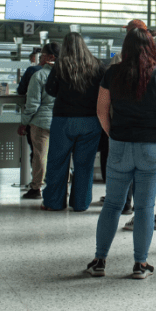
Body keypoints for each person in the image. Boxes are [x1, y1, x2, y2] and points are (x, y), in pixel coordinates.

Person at [88, 27, 156, 279]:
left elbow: (101, 110)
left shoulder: (112, 73)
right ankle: (140, 264)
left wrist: (112, 134)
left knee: (111, 204)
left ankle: (100, 261)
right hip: (152, 148)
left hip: (120, 146)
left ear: (125, 49)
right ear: (152, 49)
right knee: (145, 207)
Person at [113, 20, 156, 233]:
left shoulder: (122, 62)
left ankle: (140, 217)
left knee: (140, 174)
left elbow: (107, 103)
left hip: (135, 129)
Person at [41, 32, 105, 212]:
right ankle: (81, 203)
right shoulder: (97, 65)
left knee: (57, 162)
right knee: (84, 165)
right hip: (91, 121)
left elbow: (51, 90)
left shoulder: (60, 65)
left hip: (64, 120)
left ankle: (54, 202)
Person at [18, 42, 59, 199]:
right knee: (60, 156)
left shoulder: (39, 75)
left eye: (41, 55)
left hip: (41, 122)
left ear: (50, 58)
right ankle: (60, 186)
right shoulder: (67, 75)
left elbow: (32, 104)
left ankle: (36, 188)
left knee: (40, 156)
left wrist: (24, 122)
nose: (40, 58)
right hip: (60, 121)